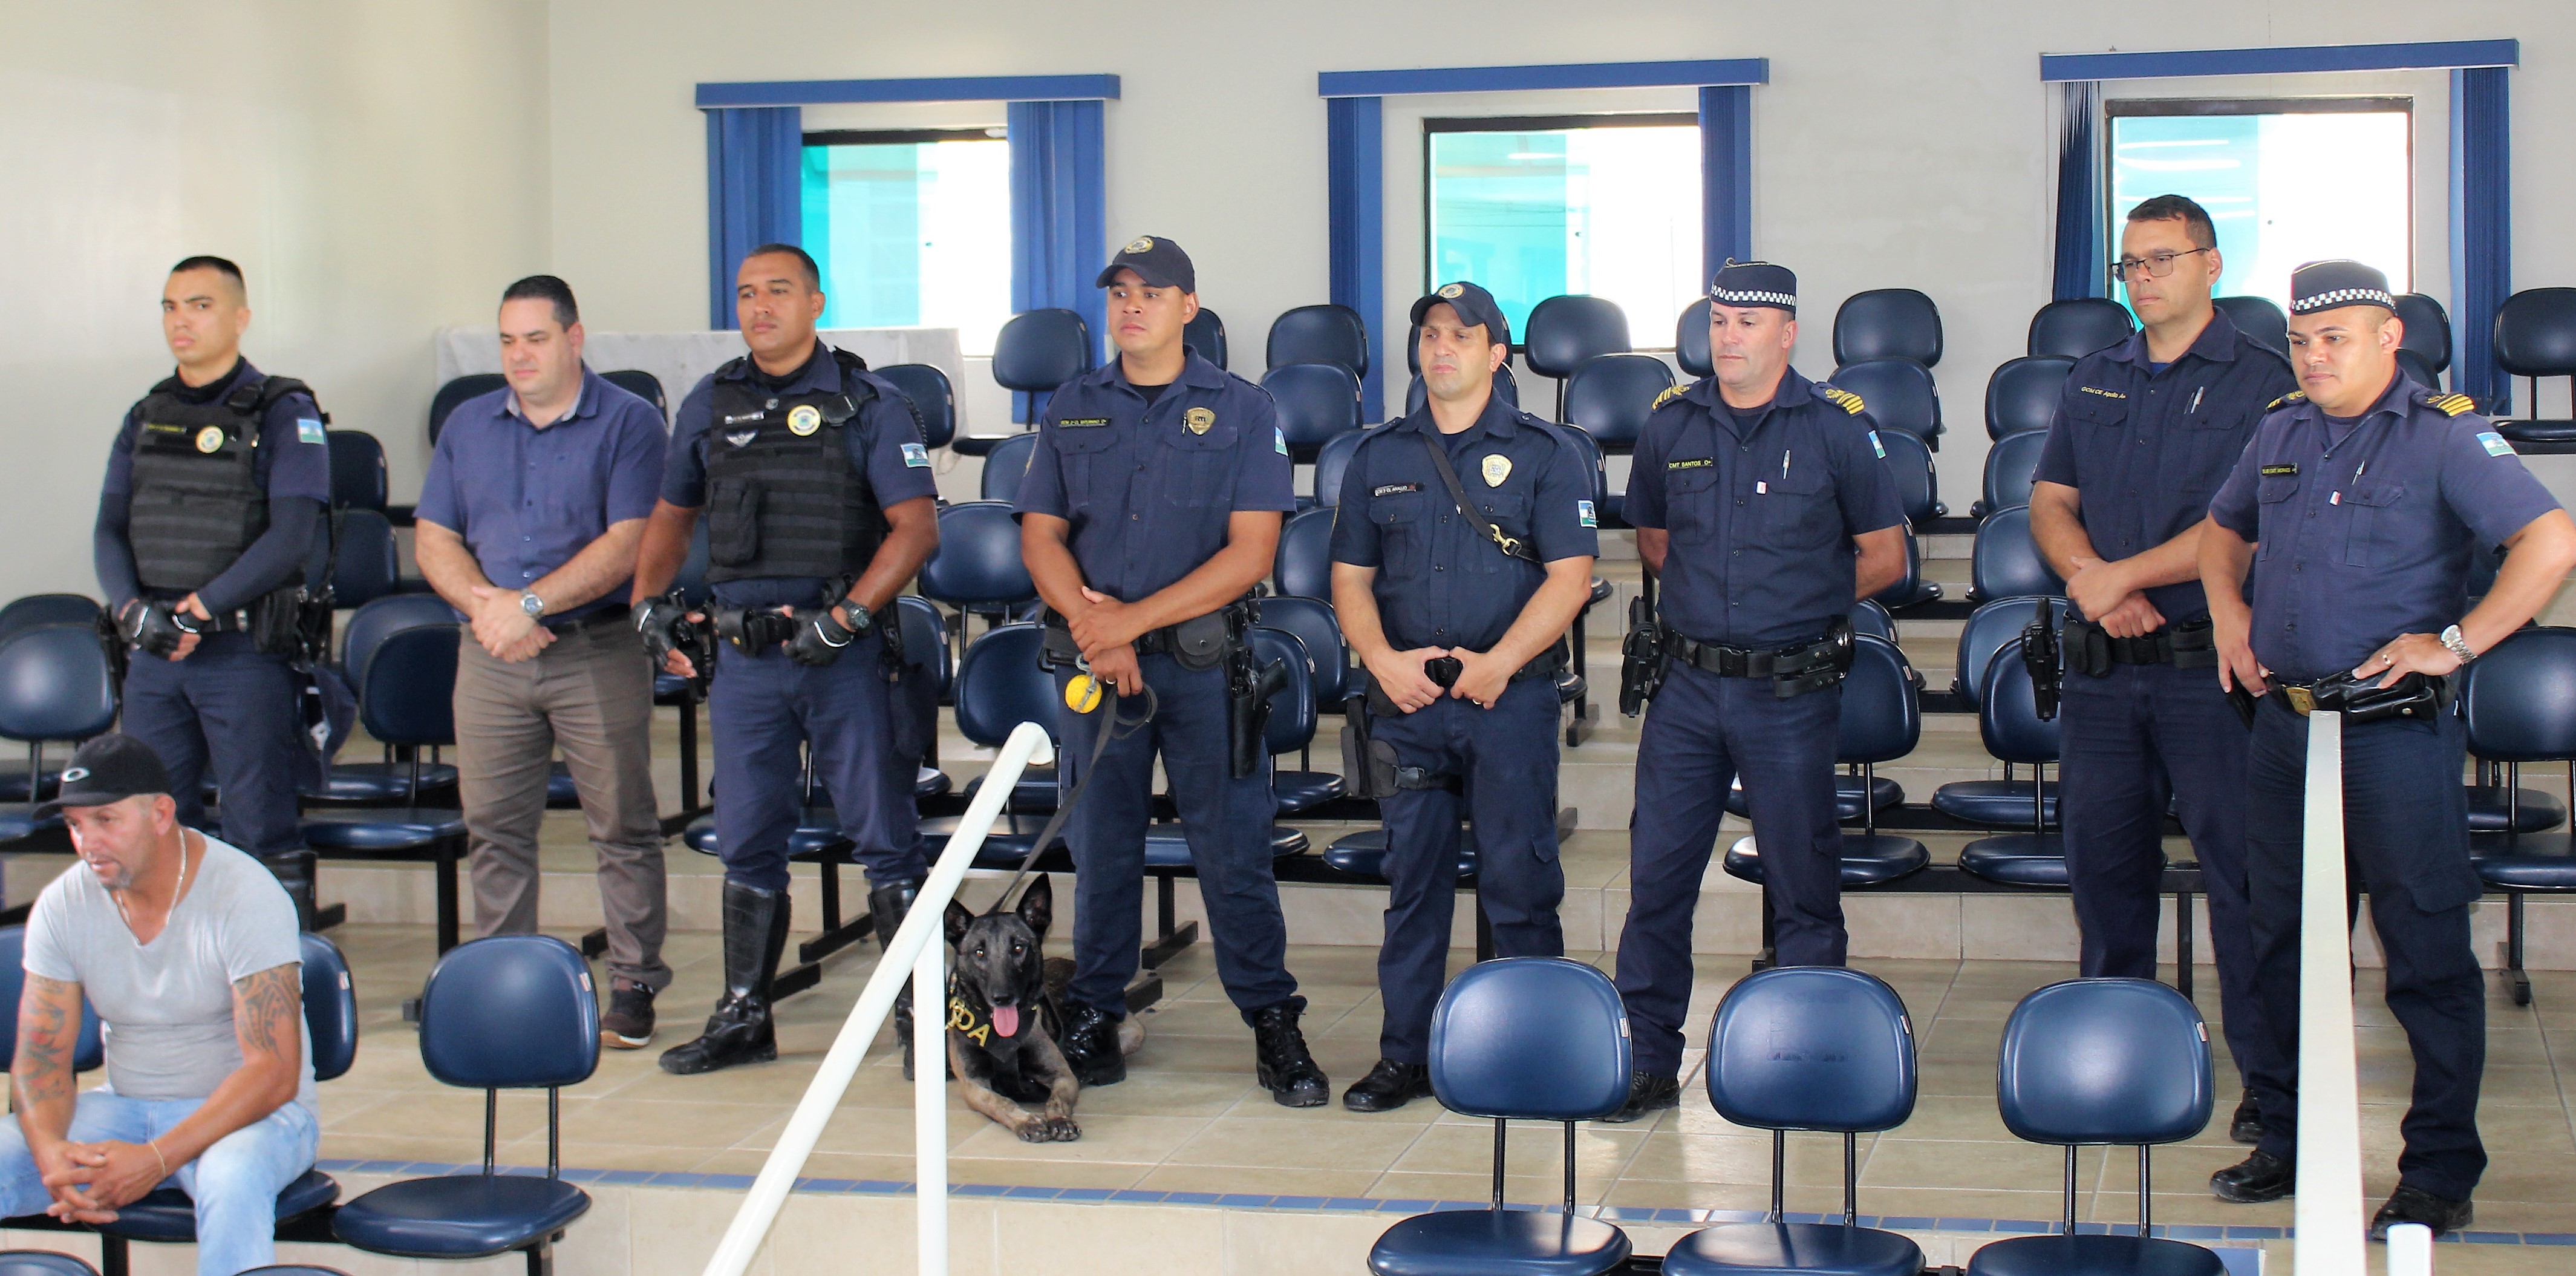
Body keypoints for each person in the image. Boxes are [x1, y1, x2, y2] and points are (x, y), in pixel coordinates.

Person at [2200, 259, 2576, 1237]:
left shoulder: (2443, 435)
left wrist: (2451, 644)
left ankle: (2436, 1169)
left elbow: (2549, 540)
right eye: (2298, 339)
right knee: (2274, 942)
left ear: (2385, 338)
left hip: (2389, 737)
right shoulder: (2279, 427)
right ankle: (2282, 1131)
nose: (2312, 355)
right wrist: (2226, 617)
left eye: (2333, 337)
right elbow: (2217, 532)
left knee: (2423, 955)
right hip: (2281, 728)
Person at [1016, 235, 1328, 1105]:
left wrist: (1127, 622)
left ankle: (1272, 1020)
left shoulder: (1240, 407)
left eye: (1151, 293)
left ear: (1188, 307)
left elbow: (1251, 552)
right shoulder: (1072, 404)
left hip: (1200, 671)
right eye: (1118, 292)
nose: (1131, 307)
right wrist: (1094, 626)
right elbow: (1038, 533)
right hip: (1095, 668)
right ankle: (1092, 1010)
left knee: (1231, 855)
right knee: (1102, 848)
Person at [1605, 260, 1908, 1122]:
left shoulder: (1835, 428)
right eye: (1719, 319)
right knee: (1656, 878)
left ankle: (1806, 1062)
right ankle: (1648, 1059)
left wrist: (1793, 606)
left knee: (1801, 885)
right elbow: (1655, 540)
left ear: (1787, 334)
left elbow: (1883, 557)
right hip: (1688, 687)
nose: (1727, 335)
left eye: (1746, 322)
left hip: (1788, 691)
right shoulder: (1671, 423)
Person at [630, 244, 941, 1075]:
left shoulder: (866, 402)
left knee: (883, 837)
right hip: (746, 660)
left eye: (777, 292)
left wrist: (847, 618)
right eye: (745, 294)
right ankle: (743, 1013)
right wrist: (648, 602)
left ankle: (920, 1017)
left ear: (815, 302)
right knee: (748, 838)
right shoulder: (711, 401)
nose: (759, 306)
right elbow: (668, 516)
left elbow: (915, 528)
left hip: (841, 656)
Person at [2027, 194, 2296, 1145]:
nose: (2143, 279)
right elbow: (2049, 499)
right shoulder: (2095, 376)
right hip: (2102, 676)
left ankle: (2269, 1084)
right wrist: (2087, 583)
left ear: (2211, 265)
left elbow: (2244, 528)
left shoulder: (2264, 383)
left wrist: (2112, 578)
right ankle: (2116, 1058)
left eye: (2162, 260)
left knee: (2244, 886)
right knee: (2104, 877)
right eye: (2129, 266)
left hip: (2206, 675)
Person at [1329, 282, 1598, 1113]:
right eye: (1429, 335)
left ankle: (1534, 1056)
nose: (1440, 348)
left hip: (1506, 702)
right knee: (1413, 887)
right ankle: (1404, 1055)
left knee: (1519, 884)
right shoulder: (1378, 457)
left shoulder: (1548, 453)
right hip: (1408, 707)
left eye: (1460, 335)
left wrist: (1498, 662)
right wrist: (1380, 661)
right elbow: (1348, 576)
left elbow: (1570, 578)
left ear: (1496, 353)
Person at [414, 275, 671, 1050]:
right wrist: (492, 609)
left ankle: (632, 982)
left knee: (621, 824)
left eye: (535, 338)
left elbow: (629, 540)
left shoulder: (629, 423)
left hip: (593, 647)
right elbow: (434, 537)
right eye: (507, 340)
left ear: (574, 338)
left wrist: (528, 605)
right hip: (489, 655)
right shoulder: (467, 424)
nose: (519, 355)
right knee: (494, 828)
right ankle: (502, 979)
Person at [0, 735, 316, 1276]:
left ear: (161, 813)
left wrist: (156, 1160)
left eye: (106, 820)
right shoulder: (62, 903)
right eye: (76, 825)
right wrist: (52, 1150)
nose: (88, 842)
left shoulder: (245, 892)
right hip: (124, 1106)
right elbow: (40, 1058)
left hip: (251, 1115)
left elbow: (274, 1072)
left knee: (230, 1176)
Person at [95, 256, 329, 911]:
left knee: (259, 830)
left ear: (240, 318)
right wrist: (133, 610)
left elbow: (291, 536)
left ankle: (278, 984)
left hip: (241, 654)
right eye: (170, 307)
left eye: (199, 305)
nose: (181, 321)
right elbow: (109, 529)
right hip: (156, 656)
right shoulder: (147, 414)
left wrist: (201, 611)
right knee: (148, 828)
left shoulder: (285, 410)